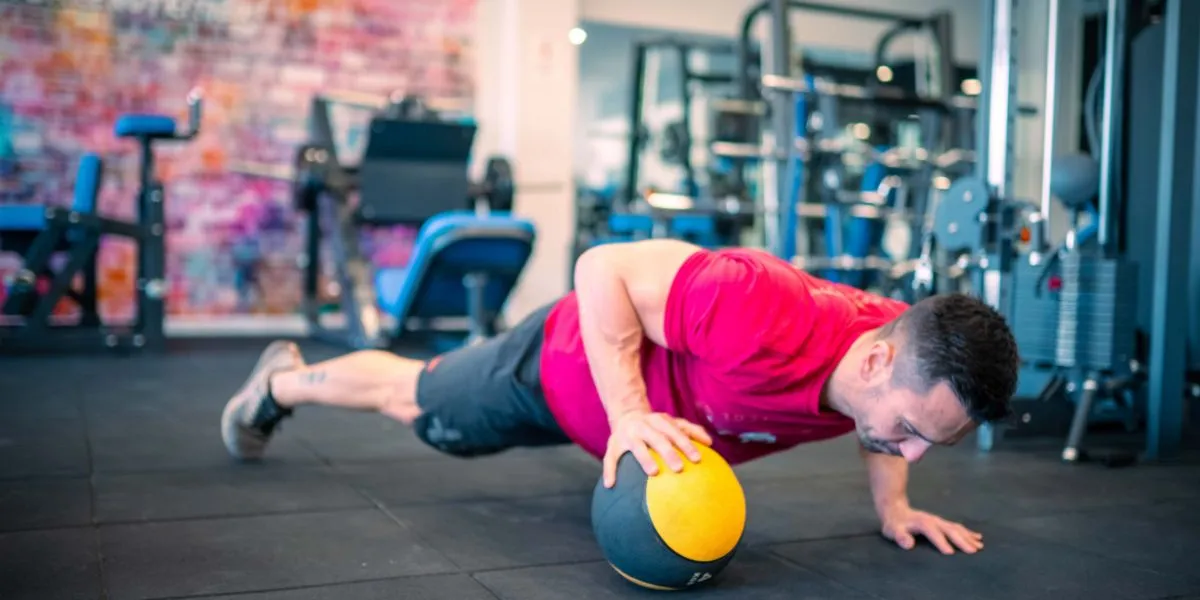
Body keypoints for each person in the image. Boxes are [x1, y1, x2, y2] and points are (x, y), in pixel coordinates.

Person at [221, 239, 1019, 556]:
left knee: (424, 407)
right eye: (910, 430)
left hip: (613, 428)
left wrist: (894, 506)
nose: (907, 449)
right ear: (877, 363)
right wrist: (631, 414)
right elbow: (601, 265)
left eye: (929, 444)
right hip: (561, 365)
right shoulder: (759, 304)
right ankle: (280, 379)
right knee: (418, 406)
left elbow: (893, 428)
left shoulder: (900, 349)